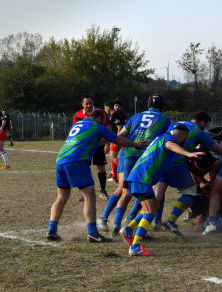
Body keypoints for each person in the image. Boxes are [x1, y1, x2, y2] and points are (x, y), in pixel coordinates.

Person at [47, 109, 148, 242]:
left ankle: (51, 230)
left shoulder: (78, 125)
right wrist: (135, 144)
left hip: (61, 161)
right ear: (100, 118)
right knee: (89, 196)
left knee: (61, 197)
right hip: (77, 161)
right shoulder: (97, 126)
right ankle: (93, 233)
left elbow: (91, 140)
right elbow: (118, 139)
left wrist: (105, 141)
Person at [121, 124, 205, 256]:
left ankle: (127, 229)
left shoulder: (161, 137)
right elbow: (171, 145)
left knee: (151, 207)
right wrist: (188, 153)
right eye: (185, 138)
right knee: (150, 212)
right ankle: (135, 246)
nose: (185, 141)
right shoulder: (168, 139)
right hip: (142, 178)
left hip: (140, 177)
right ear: (182, 136)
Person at [97, 94, 170, 236]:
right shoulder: (165, 119)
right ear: (162, 106)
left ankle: (115, 222)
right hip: (146, 158)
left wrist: (105, 142)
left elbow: (121, 134)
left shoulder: (136, 116)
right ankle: (131, 221)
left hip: (128, 154)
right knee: (146, 191)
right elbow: (167, 139)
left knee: (126, 191)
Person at [156, 111, 222, 237]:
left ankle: (132, 227)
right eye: (206, 125)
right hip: (176, 164)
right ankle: (171, 220)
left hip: (161, 162)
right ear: (203, 122)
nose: (205, 128)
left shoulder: (175, 124)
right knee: (190, 191)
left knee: (155, 197)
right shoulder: (198, 131)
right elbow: (217, 148)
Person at [73, 96, 109, 199]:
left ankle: (103, 191)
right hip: (84, 148)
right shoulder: (78, 114)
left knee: (101, 168)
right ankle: (85, 194)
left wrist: (106, 144)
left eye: (90, 103)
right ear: (82, 104)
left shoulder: (101, 113)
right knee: (84, 168)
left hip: (98, 145)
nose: (89, 105)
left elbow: (108, 128)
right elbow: (75, 131)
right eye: (86, 103)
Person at [109, 99, 128, 182]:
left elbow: (119, 127)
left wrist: (117, 140)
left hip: (117, 137)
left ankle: (125, 172)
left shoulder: (115, 115)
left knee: (113, 157)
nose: (117, 107)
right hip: (124, 137)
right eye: (115, 105)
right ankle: (114, 176)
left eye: (118, 106)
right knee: (115, 156)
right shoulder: (124, 114)